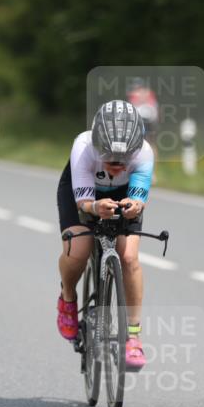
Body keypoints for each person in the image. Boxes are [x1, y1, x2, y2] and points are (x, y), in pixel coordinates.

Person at [55, 99, 154, 370]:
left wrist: (135, 205)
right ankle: (67, 298)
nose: (117, 165)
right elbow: (84, 204)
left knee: (129, 257)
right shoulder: (83, 147)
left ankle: (133, 337)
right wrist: (94, 207)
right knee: (78, 250)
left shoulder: (144, 153)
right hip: (84, 194)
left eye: (124, 160)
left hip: (122, 194)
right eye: (110, 158)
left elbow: (139, 198)